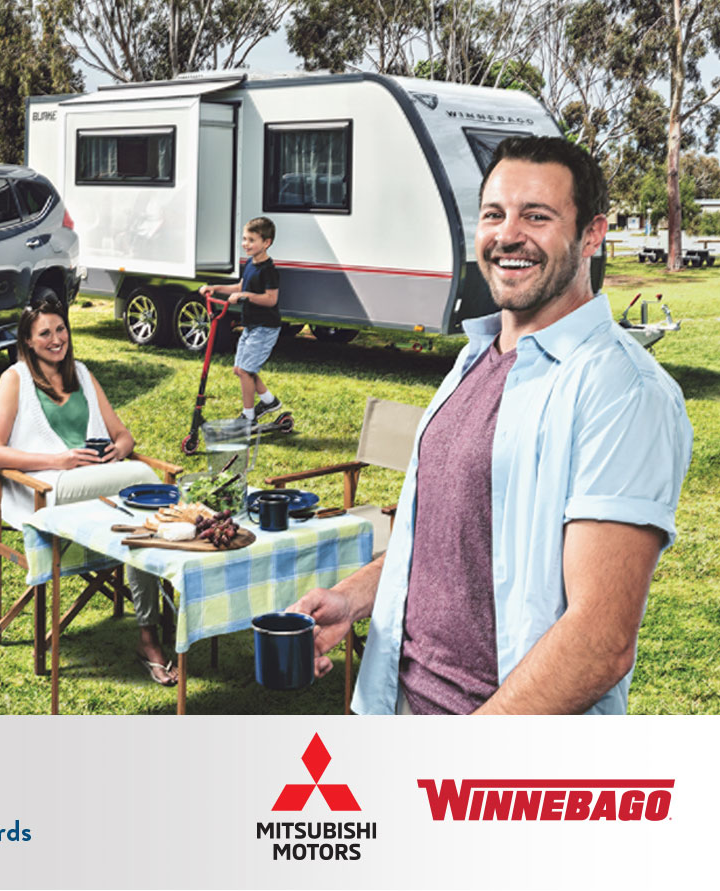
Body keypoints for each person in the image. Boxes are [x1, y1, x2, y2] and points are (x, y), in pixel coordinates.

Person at [289, 136, 692, 714]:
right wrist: (351, 599)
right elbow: (442, 540)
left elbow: (601, 642)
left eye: (537, 216)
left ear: (592, 234)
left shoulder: (624, 392)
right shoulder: (476, 356)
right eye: (494, 214)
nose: (508, 235)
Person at [0, 297, 178, 686]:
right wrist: (60, 460)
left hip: (103, 488)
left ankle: (148, 635)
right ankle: (175, 591)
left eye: (61, 329)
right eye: (45, 333)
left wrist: (115, 451)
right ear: (28, 340)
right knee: (146, 481)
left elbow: (123, 435)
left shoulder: (83, 375)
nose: (56, 339)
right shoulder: (15, 379)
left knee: (142, 523)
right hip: (47, 491)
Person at [200, 217, 283, 422]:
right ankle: (269, 400)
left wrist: (246, 296)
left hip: (265, 327)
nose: (246, 244)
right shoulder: (250, 263)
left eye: (252, 240)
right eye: (244, 239)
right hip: (251, 326)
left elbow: (271, 299)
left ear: (266, 243)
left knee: (246, 370)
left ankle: (248, 416)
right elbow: (240, 287)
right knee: (239, 369)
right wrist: (215, 288)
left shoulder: (269, 270)